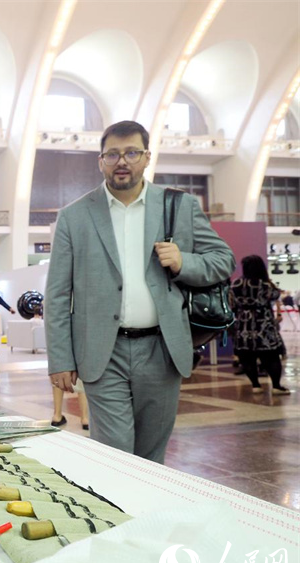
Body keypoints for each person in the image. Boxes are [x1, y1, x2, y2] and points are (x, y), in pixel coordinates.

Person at [45, 120, 235, 464]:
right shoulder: (74, 217)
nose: (122, 161)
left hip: (162, 350)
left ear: (147, 157)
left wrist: (184, 262)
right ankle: (120, 516)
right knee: (116, 453)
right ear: (100, 161)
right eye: (112, 154)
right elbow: (57, 294)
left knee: (151, 455)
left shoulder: (179, 207)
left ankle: (148, 518)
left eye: (132, 152)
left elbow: (223, 260)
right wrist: (60, 359)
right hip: (104, 352)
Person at [230, 255, 290, 395]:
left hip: (243, 325)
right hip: (263, 324)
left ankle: (255, 385)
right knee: (272, 356)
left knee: (247, 356)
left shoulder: (236, 284)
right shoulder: (265, 285)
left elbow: (232, 304)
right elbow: (275, 296)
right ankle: (276, 385)